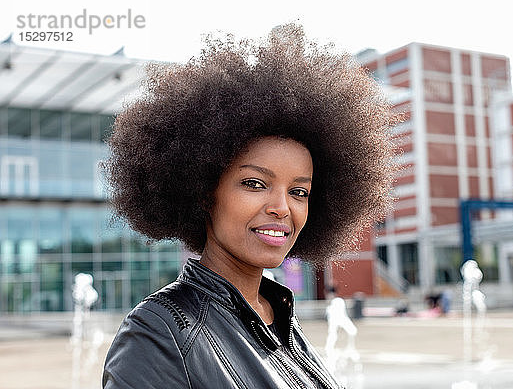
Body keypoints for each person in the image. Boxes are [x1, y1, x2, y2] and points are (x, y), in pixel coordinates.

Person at [101, 24, 395, 388]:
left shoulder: (279, 316)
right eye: (255, 184)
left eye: (299, 192)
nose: (282, 207)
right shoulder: (160, 332)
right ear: (205, 191)